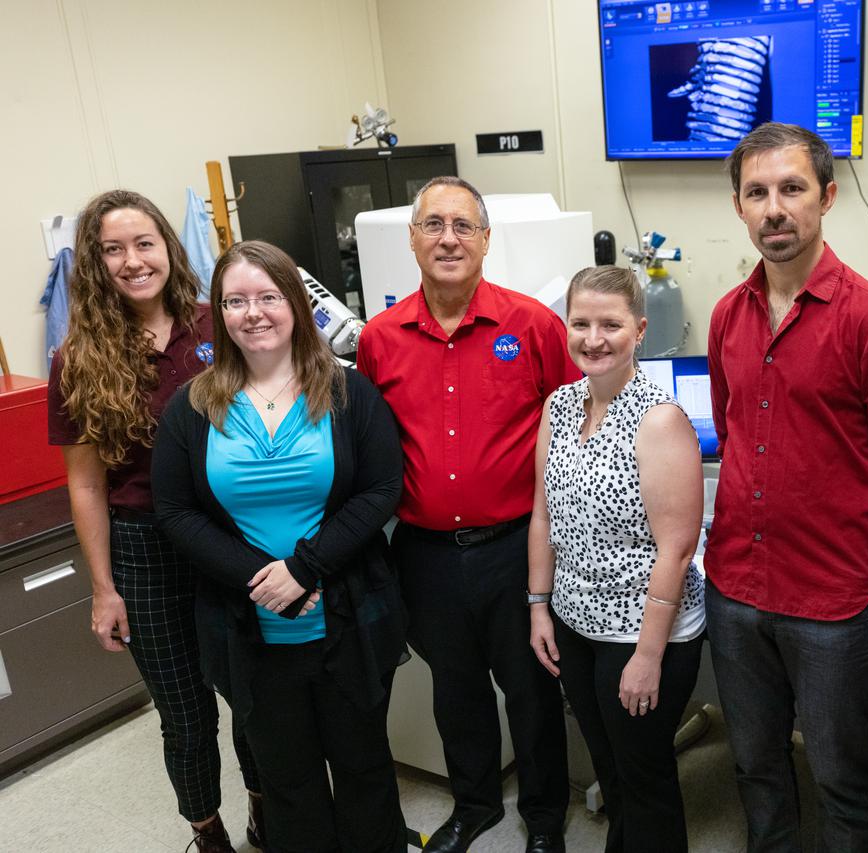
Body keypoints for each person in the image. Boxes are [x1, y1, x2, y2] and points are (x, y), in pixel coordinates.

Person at [704, 122, 868, 851]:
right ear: (740, 207)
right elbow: (733, 428)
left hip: (833, 605)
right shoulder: (727, 316)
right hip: (737, 591)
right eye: (757, 192)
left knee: (843, 778)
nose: (774, 208)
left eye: (792, 189)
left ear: (827, 197)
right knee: (755, 764)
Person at [151, 240, 408, 853]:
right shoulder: (192, 407)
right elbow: (175, 512)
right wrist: (259, 580)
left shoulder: (348, 393)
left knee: (365, 768)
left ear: (294, 303)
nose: (254, 312)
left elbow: (380, 490)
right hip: (249, 632)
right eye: (236, 301)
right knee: (286, 781)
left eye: (268, 296)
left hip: (348, 622)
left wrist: (305, 568)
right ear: (219, 312)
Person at [357, 176, 576, 853]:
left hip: (516, 548)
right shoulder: (380, 339)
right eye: (433, 225)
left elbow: (571, 428)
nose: (447, 238)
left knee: (533, 693)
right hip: (423, 552)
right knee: (454, 693)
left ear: (485, 239)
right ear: (412, 239)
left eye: (462, 225)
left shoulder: (532, 325)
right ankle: (476, 804)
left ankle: (543, 818)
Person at [46, 189, 263, 852]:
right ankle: (208, 828)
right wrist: (104, 589)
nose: (132, 260)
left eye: (144, 243)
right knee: (186, 713)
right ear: (94, 262)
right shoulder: (78, 358)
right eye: (113, 249)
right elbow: (85, 484)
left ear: (168, 247)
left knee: (253, 697)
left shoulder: (218, 328)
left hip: (228, 537)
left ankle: (266, 805)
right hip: (143, 549)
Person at [529, 266, 706, 853]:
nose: (593, 337)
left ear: (640, 330)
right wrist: (538, 608)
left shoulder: (659, 420)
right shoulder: (559, 406)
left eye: (611, 324)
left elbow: (677, 548)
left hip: (642, 630)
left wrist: (648, 656)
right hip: (577, 622)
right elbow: (543, 516)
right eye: (581, 323)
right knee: (610, 767)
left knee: (644, 774)